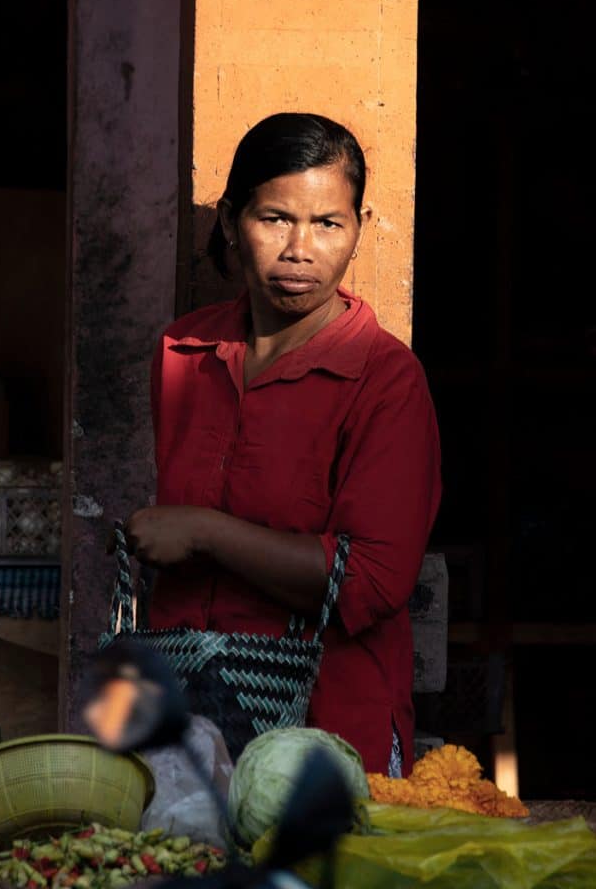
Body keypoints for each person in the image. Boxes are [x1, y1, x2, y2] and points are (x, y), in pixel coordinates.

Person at [121, 113, 441, 775]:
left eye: (328, 223)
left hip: (330, 730)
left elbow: (372, 583)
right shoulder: (183, 351)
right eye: (274, 219)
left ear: (358, 227)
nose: (300, 248)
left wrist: (206, 531)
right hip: (190, 726)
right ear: (234, 221)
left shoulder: (384, 378)